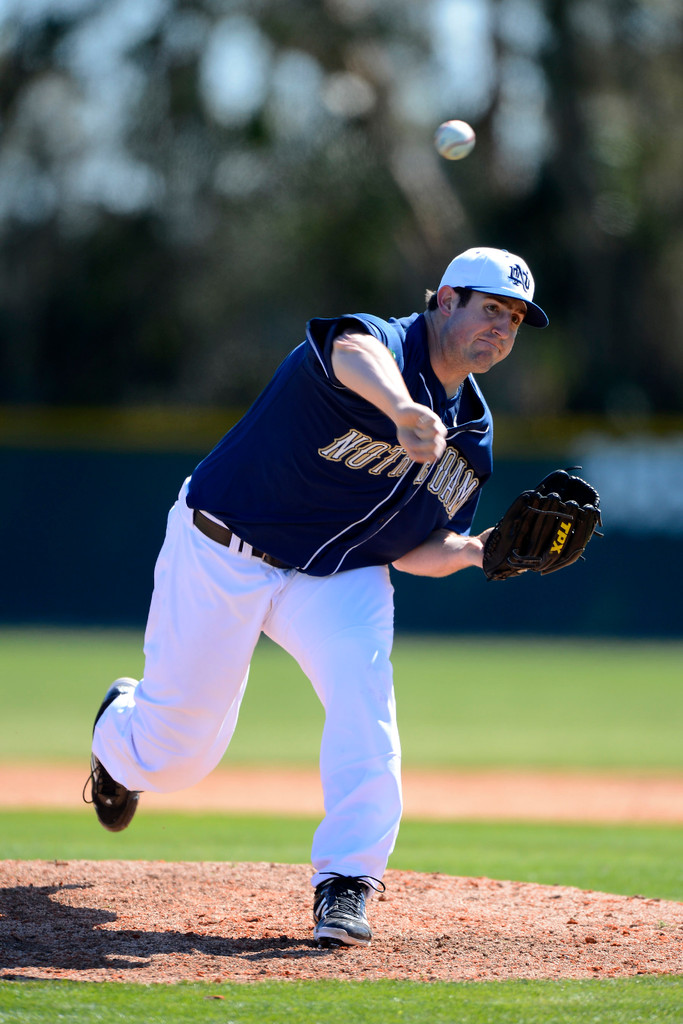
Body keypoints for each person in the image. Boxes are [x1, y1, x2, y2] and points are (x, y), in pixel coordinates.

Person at [87, 246, 548, 948]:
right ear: (444, 300)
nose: (502, 327)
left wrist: (475, 551)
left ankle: (346, 883)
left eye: (514, 318)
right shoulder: (381, 343)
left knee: (366, 704)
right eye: (490, 308)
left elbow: (411, 546)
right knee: (177, 755)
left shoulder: (473, 434)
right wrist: (399, 407)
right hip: (225, 546)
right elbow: (346, 347)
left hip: (338, 574)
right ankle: (119, 735)